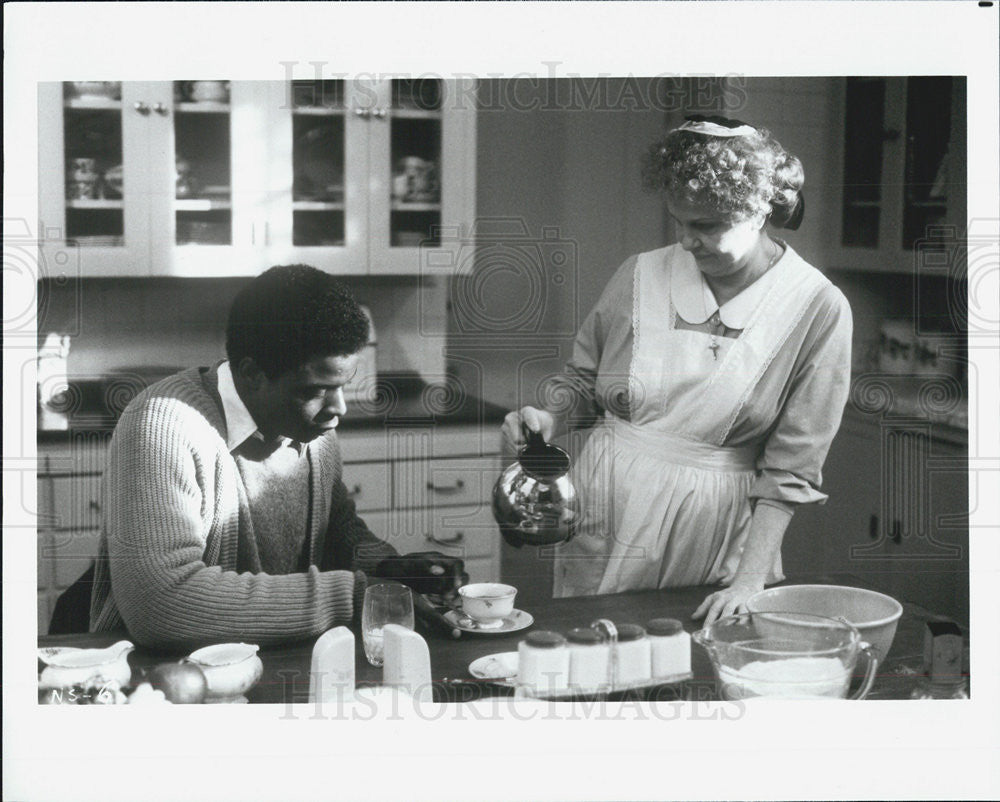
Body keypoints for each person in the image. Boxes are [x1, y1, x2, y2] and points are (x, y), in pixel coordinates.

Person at [501, 115, 852, 625]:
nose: (687, 241)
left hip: (715, 524)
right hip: (609, 499)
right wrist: (547, 418)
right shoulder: (640, 275)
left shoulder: (816, 306)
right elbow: (582, 382)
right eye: (679, 222)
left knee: (688, 661)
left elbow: (792, 466)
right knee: (593, 653)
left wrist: (750, 578)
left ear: (757, 212)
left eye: (706, 226)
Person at [89, 264, 465, 649]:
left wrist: (386, 566)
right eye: (316, 389)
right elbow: (161, 604)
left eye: (343, 385)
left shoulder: (311, 427)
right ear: (252, 374)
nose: (339, 409)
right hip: (156, 677)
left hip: (269, 658)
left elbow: (333, 527)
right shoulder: (164, 425)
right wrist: (356, 595)